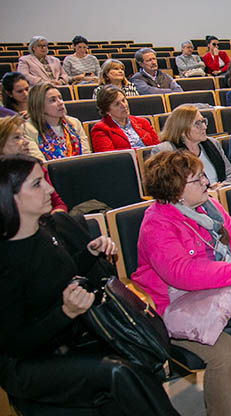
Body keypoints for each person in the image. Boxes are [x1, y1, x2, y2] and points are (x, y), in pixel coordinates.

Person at [0, 154, 180, 415]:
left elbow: (62, 272)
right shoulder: (6, 259)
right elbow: (14, 342)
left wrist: (91, 253)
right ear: (10, 196)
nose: (50, 189)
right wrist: (65, 313)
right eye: (37, 184)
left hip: (70, 336)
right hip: (27, 360)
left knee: (138, 353)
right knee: (118, 372)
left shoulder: (49, 228)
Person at [132, 151, 231, 416]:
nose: (207, 182)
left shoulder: (208, 207)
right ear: (177, 191)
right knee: (225, 354)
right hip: (180, 306)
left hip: (226, 293)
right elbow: (182, 273)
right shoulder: (157, 224)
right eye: (197, 179)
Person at [151, 105, 231, 190]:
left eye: (203, 121)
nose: (204, 127)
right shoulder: (166, 150)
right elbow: (167, 186)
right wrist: (204, 192)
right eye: (197, 124)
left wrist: (222, 187)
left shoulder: (213, 143)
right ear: (182, 130)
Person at [0, 115, 67, 212]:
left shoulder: (35, 168)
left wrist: (56, 218)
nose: (26, 142)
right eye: (16, 137)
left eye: (24, 136)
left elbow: (58, 204)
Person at [22, 83, 89, 161]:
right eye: (53, 100)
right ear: (39, 106)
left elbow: (86, 156)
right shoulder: (27, 129)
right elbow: (40, 164)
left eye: (60, 98)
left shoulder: (74, 123)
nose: (60, 102)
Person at [90, 85, 159, 152]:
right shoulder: (100, 129)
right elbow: (110, 158)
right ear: (107, 110)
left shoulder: (142, 122)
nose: (124, 106)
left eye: (123, 100)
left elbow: (158, 146)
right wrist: (141, 153)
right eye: (117, 104)